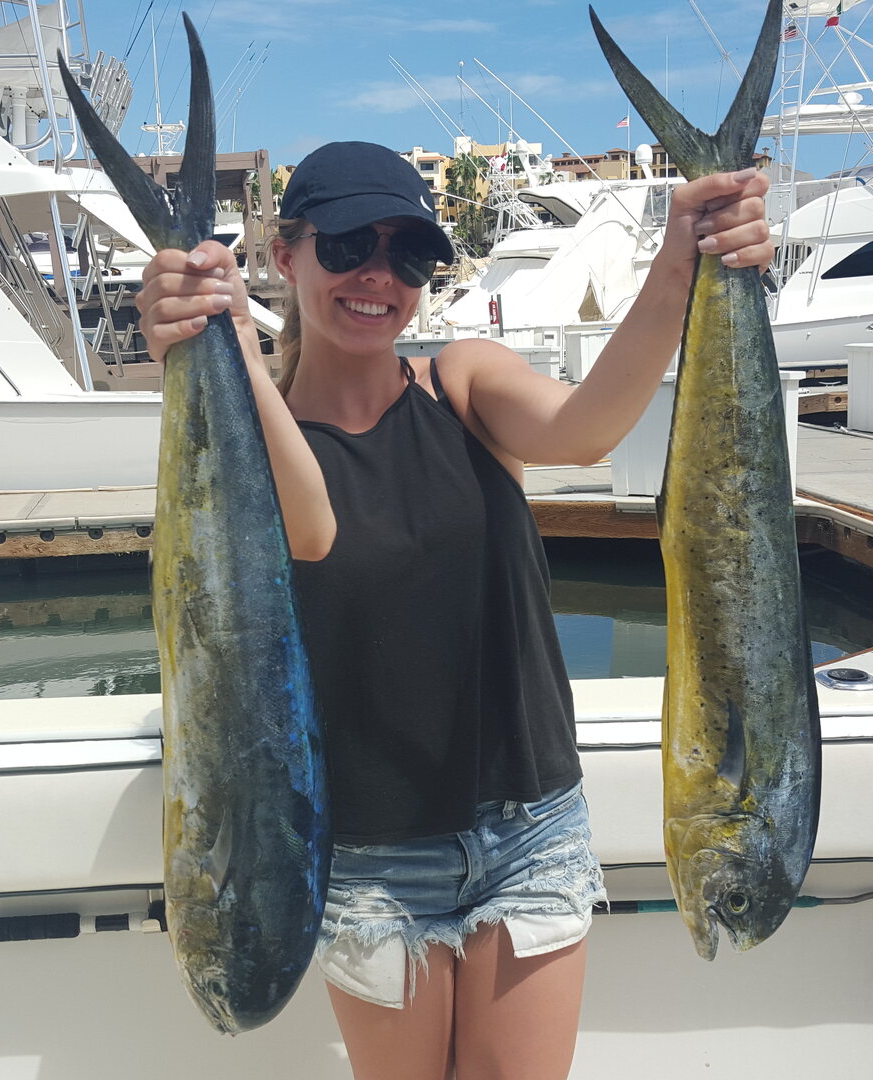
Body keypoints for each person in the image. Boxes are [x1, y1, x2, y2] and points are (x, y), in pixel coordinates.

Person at [136, 141, 772, 1080]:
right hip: (368, 856)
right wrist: (220, 340)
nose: (378, 276)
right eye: (348, 245)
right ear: (285, 255)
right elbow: (311, 526)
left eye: (409, 255)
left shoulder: (462, 385)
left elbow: (587, 428)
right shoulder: (248, 440)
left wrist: (685, 260)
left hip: (532, 827)